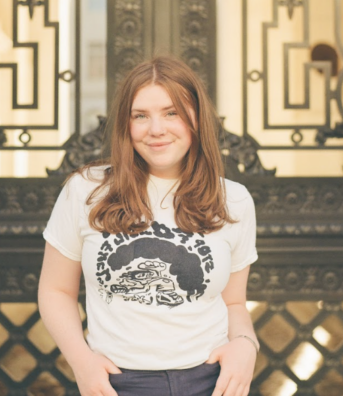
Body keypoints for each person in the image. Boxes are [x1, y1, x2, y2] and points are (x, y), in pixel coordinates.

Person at [38, 56, 259, 396]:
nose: (156, 129)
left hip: (210, 381)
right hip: (115, 383)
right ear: (125, 125)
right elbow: (55, 291)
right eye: (140, 116)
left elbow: (234, 303)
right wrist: (82, 363)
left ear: (196, 119)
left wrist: (246, 345)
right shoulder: (86, 190)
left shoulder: (235, 200)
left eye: (172, 113)